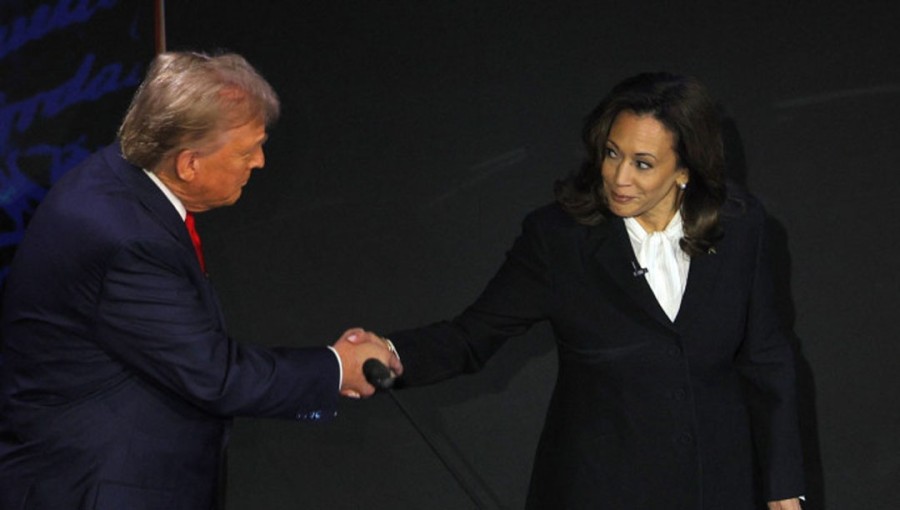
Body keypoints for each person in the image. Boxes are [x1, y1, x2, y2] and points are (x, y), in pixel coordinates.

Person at [369, 72, 805, 509]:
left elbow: (768, 358)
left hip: (716, 489)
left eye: (643, 163)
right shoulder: (559, 239)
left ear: (685, 170)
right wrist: (389, 353)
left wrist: (783, 485)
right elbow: (470, 336)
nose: (618, 177)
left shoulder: (740, 226)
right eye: (612, 153)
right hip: (598, 490)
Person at [0, 51, 400, 509]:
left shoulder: (116, 183)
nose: (261, 162)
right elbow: (214, 374)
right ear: (188, 163)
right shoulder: (127, 238)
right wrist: (337, 368)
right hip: (98, 489)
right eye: (247, 151)